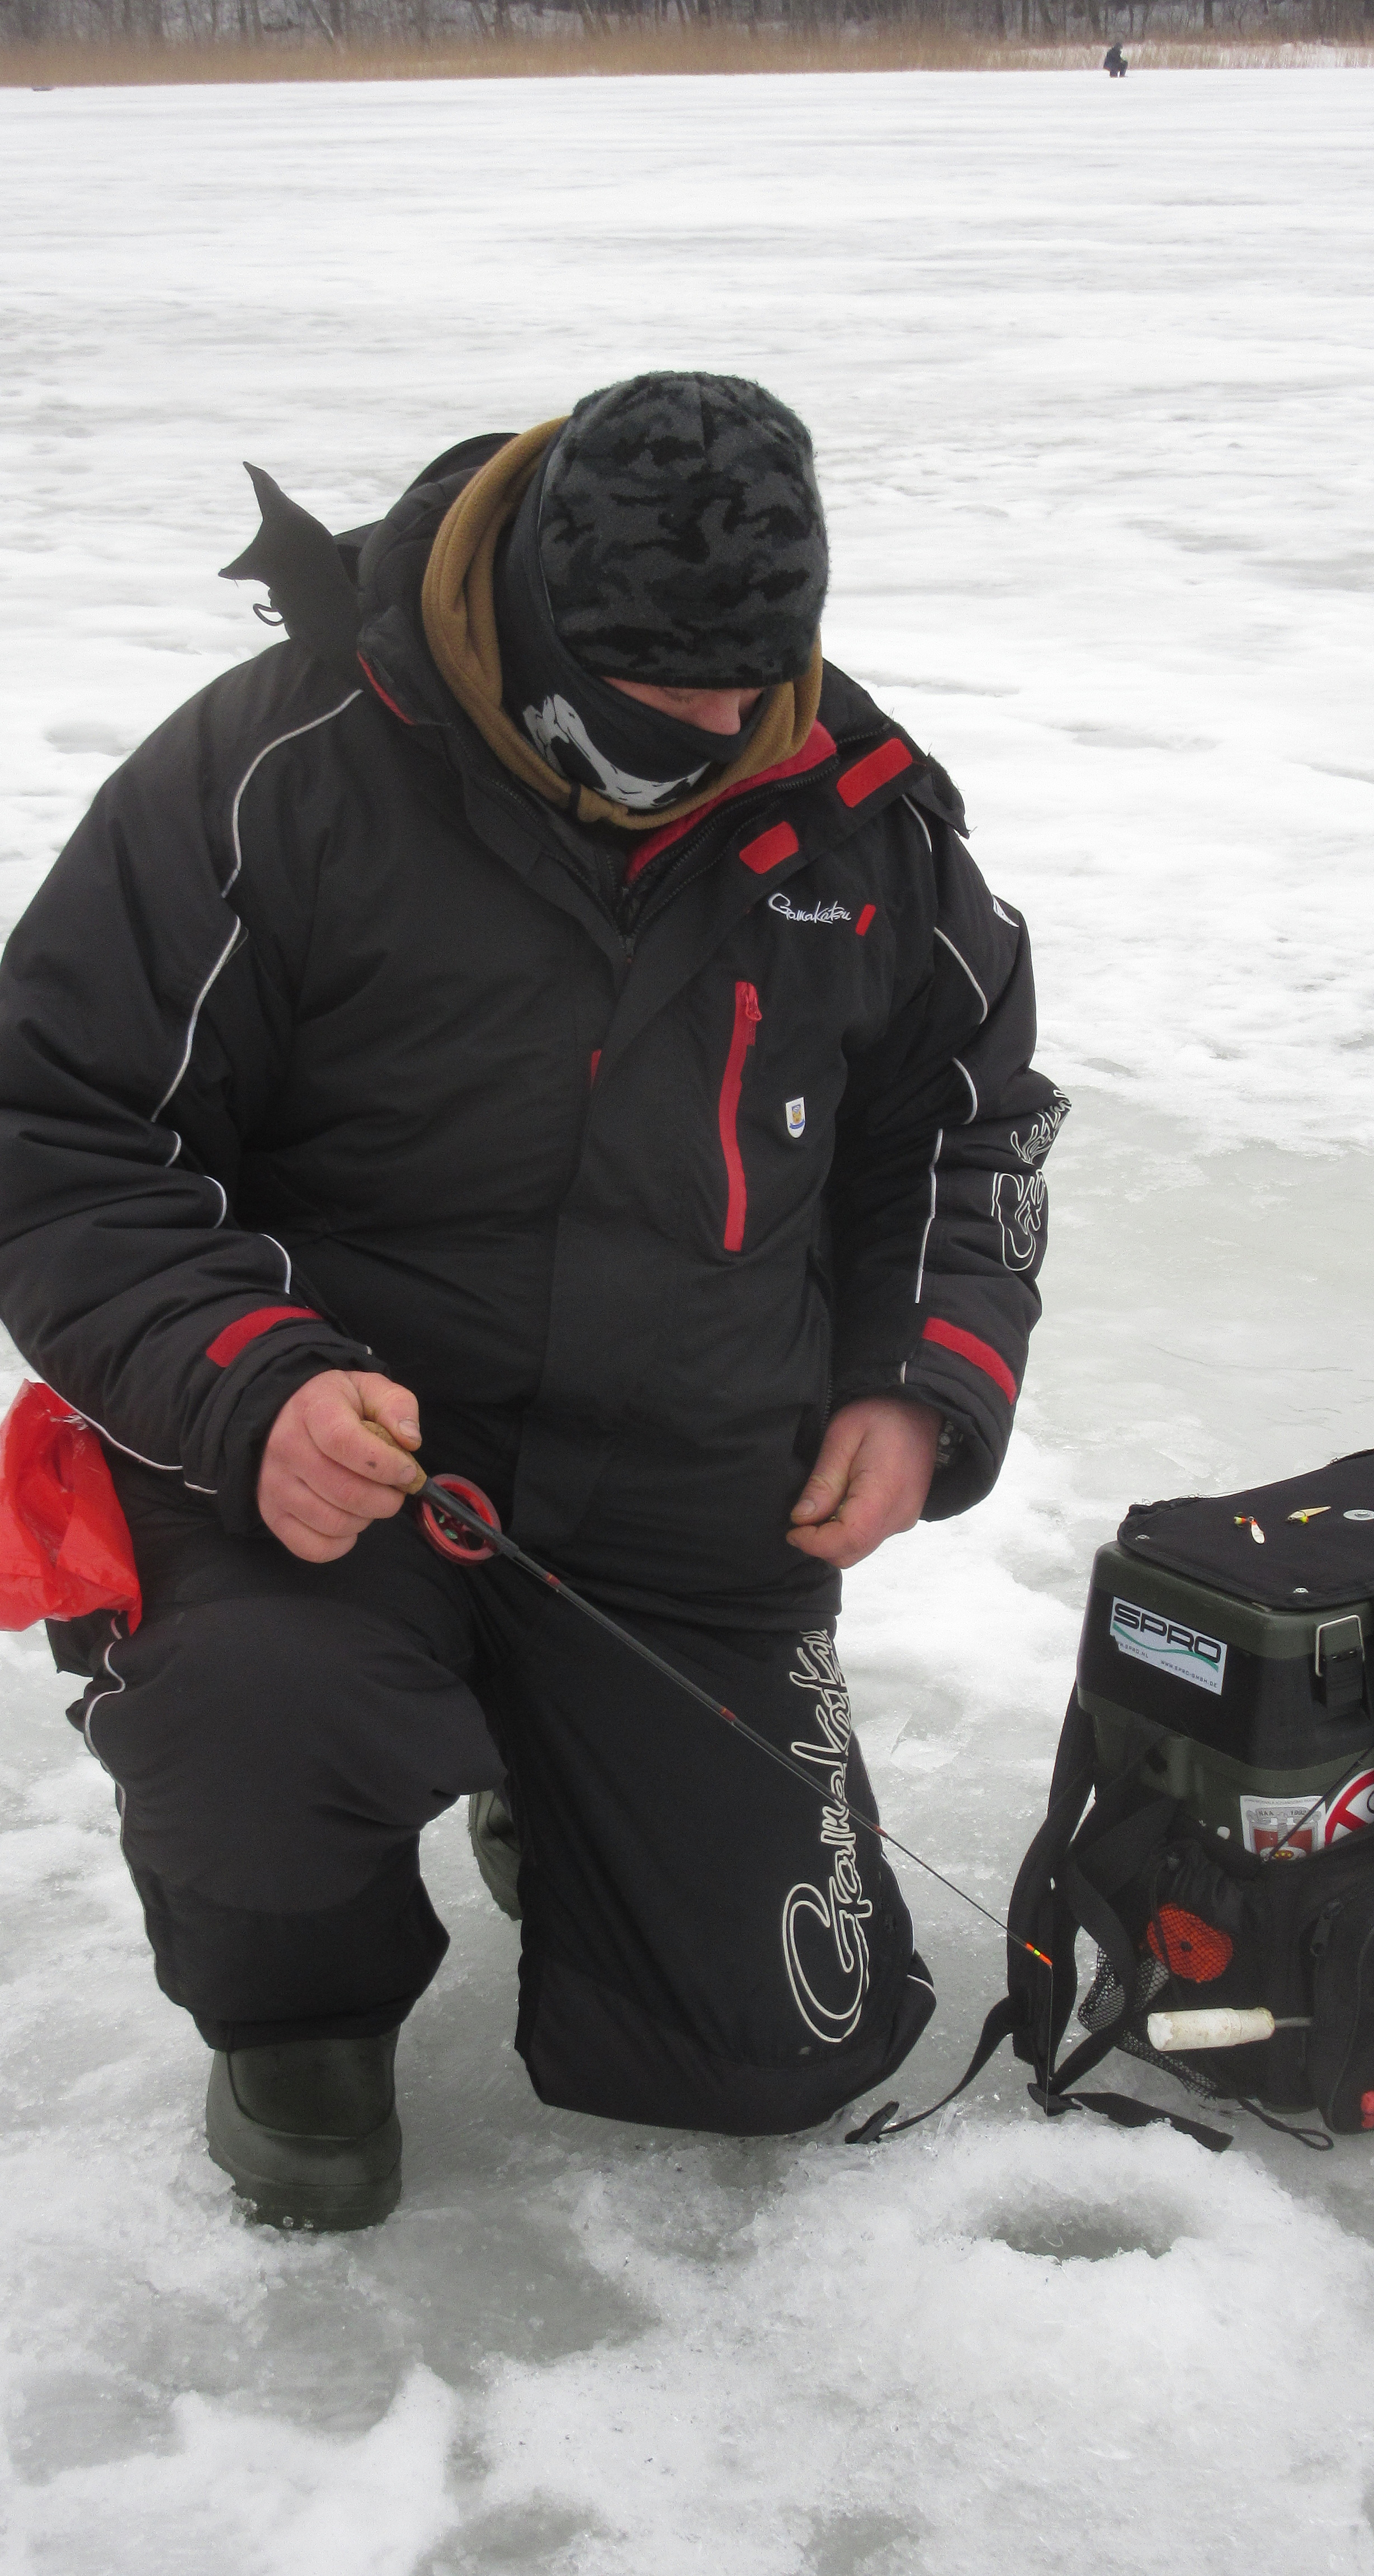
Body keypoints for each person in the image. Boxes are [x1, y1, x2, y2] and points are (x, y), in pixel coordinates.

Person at [0, 373, 1064, 2230]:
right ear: (545, 630)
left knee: (781, 2055)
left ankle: (554, 1785)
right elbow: (60, 1127)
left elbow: (970, 1122)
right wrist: (251, 1382)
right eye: (664, 696)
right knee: (257, 1708)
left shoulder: (857, 812)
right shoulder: (279, 767)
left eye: (754, 688)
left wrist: (917, 1381)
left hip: (679, 1494)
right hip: (332, 1467)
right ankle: (299, 2023)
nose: (720, 732)